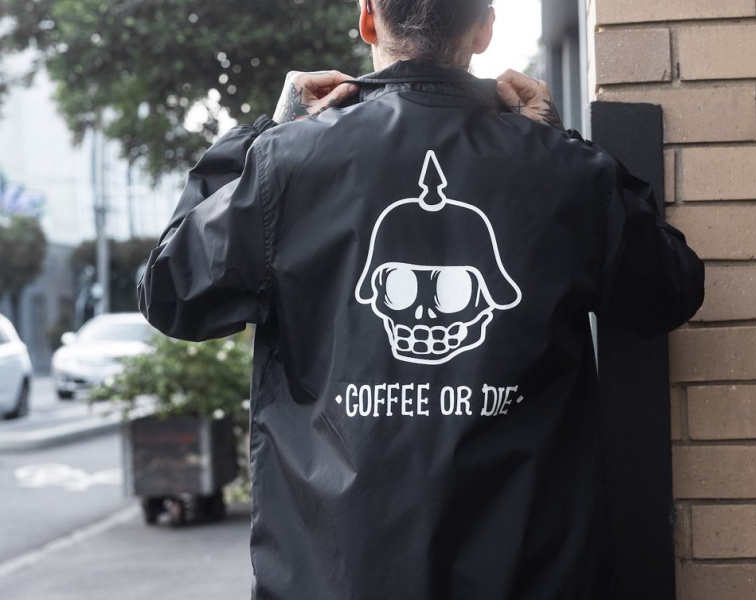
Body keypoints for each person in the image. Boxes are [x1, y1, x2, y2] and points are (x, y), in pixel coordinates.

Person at [138, 0, 704, 598]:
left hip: (336, 579)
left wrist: (262, 136)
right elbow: (668, 289)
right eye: (400, 288)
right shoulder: (563, 170)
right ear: (484, 29)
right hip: (530, 578)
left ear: (368, 19)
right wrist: (560, 143)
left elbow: (172, 292)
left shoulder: (287, 163)